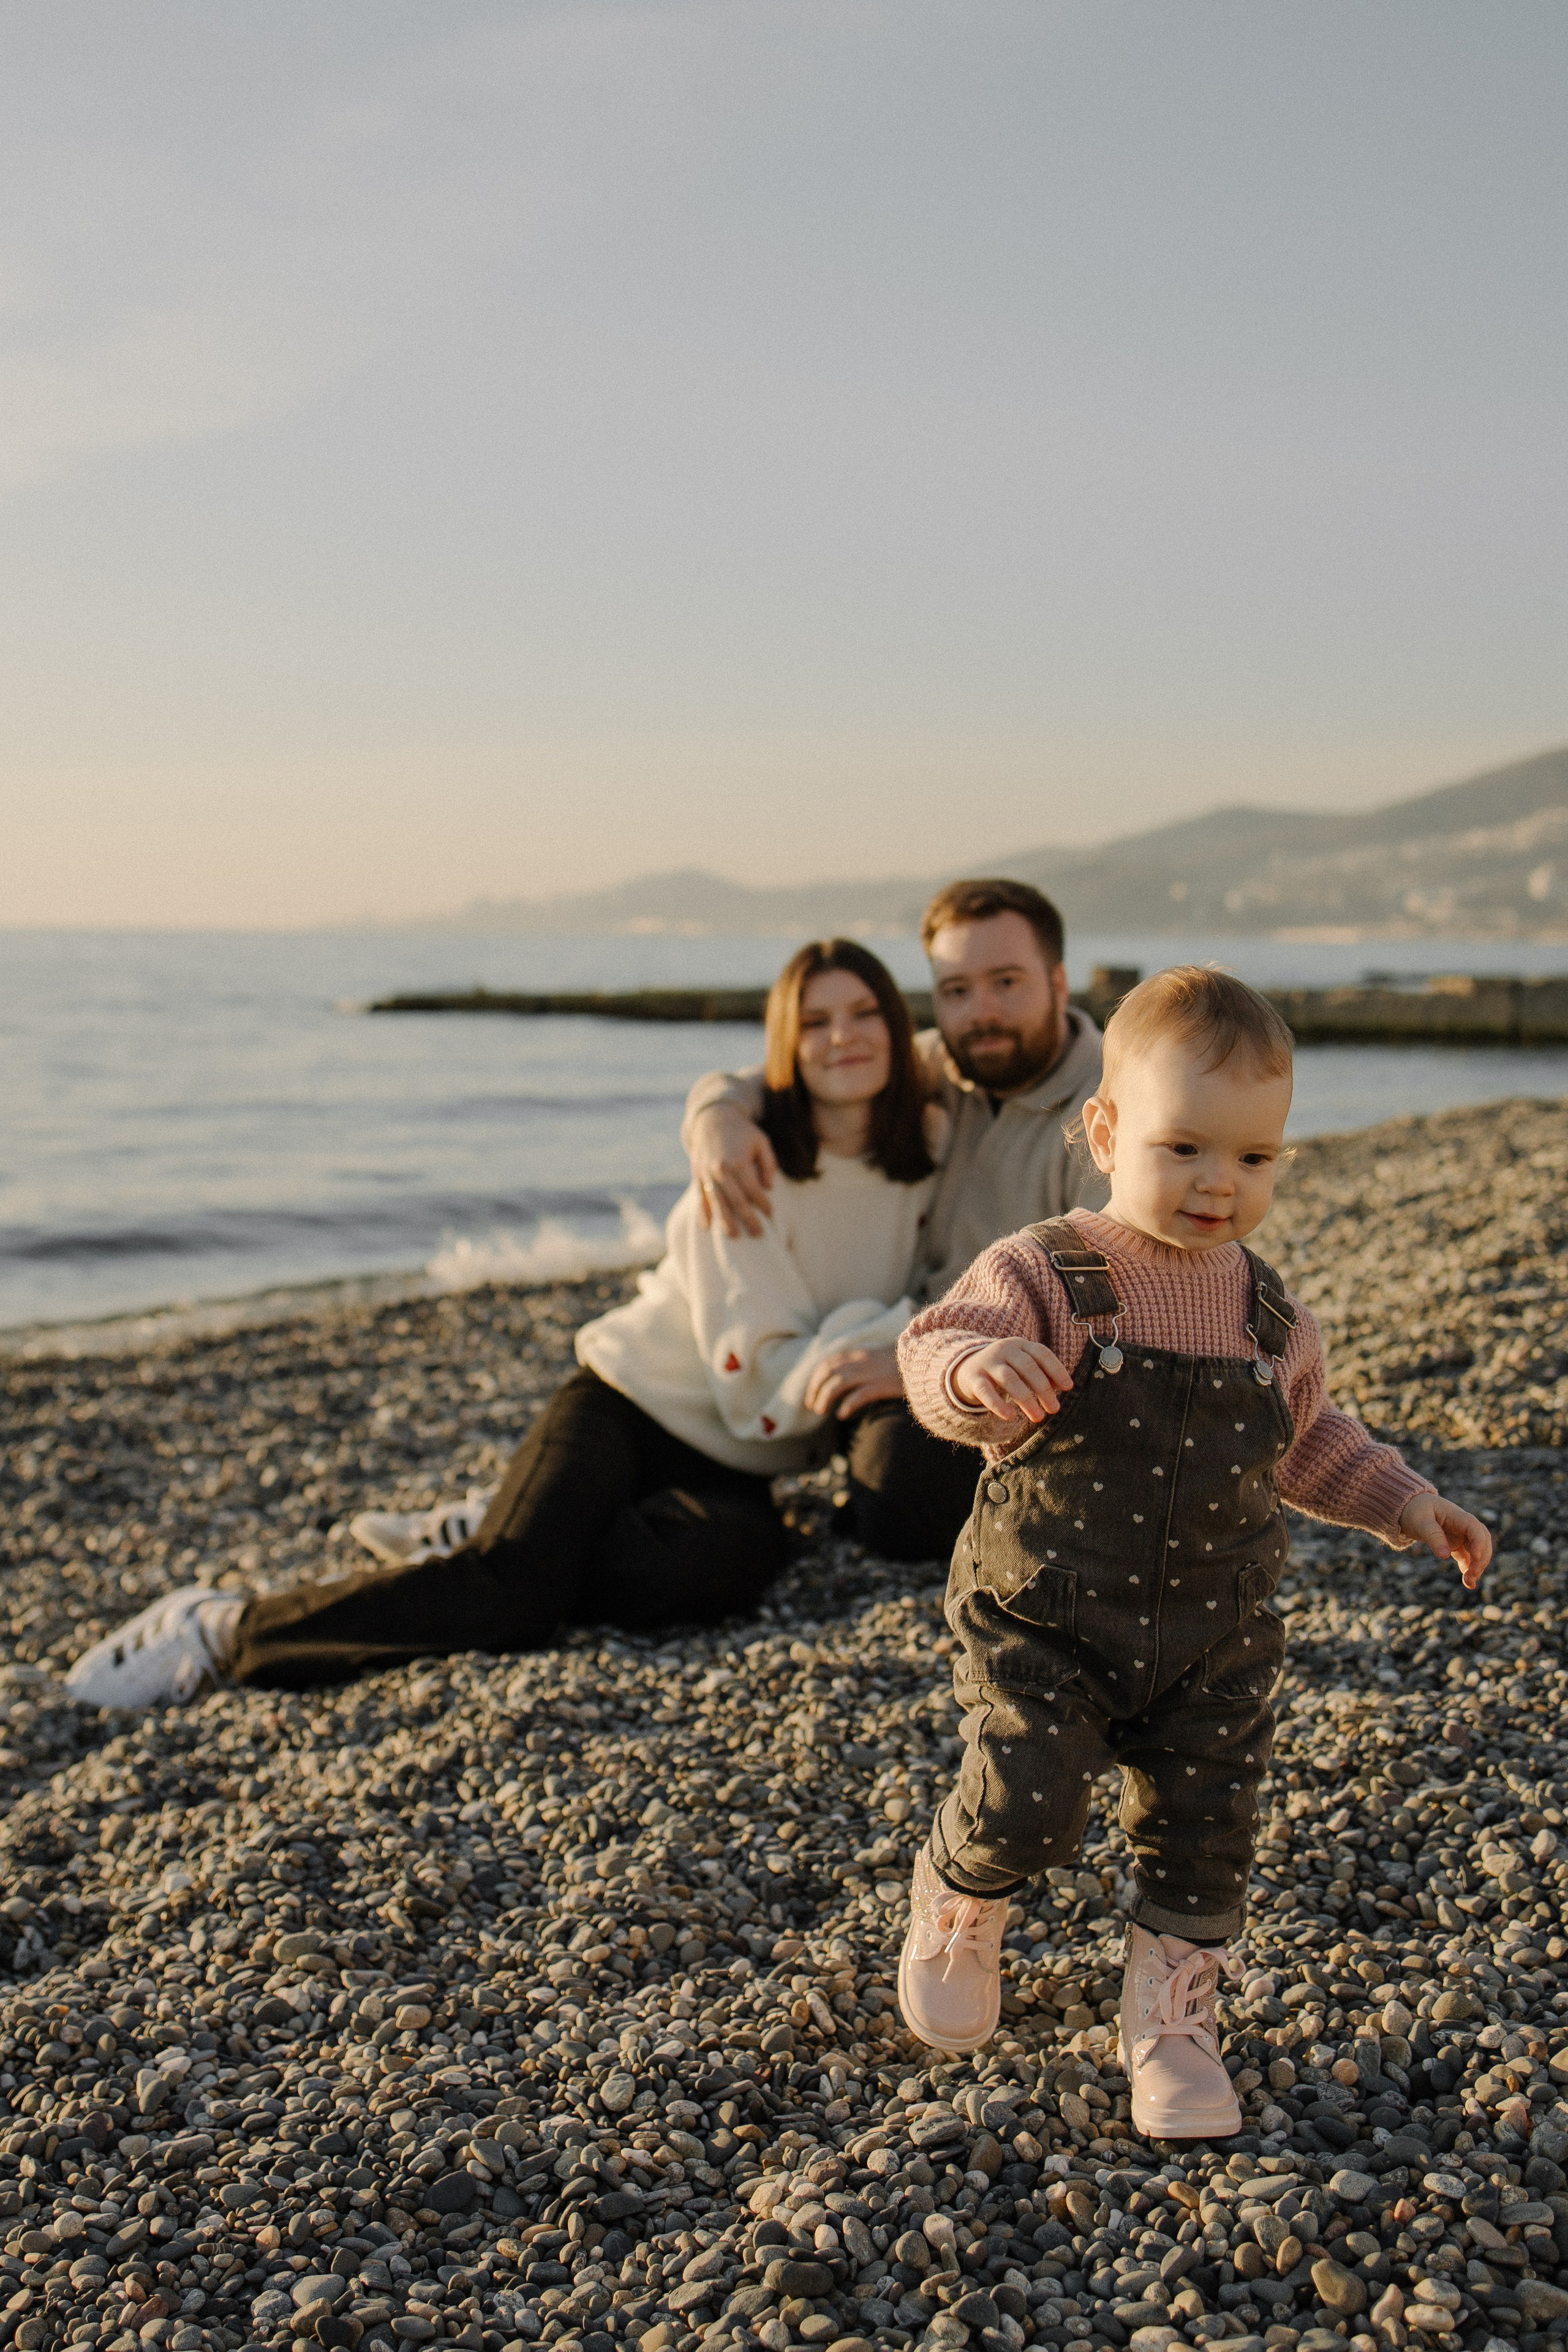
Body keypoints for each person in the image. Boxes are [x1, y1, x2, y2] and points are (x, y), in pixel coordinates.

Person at [889, 965, 1491, 2134]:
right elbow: (933, 1346)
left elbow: (1309, 1440)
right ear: (1105, 1132)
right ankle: (960, 1897)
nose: (1221, 1183)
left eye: (1254, 1160)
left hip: (1215, 1635)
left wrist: (1407, 1503)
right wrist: (973, 1371)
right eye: (1186, 1150)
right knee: (1026, 1794)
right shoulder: (1044, 1271)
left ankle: (1170, 2015)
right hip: (1047, 1615)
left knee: (1206, 1829)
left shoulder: (1270, 1317)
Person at [65, 940, 943, 1708]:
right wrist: (886, 1330)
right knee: (513, 1598)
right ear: (785, 1042)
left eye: (866, 1012)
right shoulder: (744, 1166)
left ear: (899, 1028)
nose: (844, 1038)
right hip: (633, 1405)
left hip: (739, 1458)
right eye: (817, 1021)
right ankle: (225, 1628)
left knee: (720, 1574)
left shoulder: (930, 1149)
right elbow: (758, 1380)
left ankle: (501, 1527)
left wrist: (890, 1334)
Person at [679, 877, 1109, 1563]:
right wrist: (715, 1117)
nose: (982, 1013)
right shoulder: (947, 1066)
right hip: (918, 1343)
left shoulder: (1107, 1111)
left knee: (900, 1503)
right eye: (956, 991)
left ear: (1058, 983)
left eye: (1006, 982)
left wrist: (925, 1366)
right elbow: (799, 1068)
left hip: (1035, 1374)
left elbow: (1116, 1312)